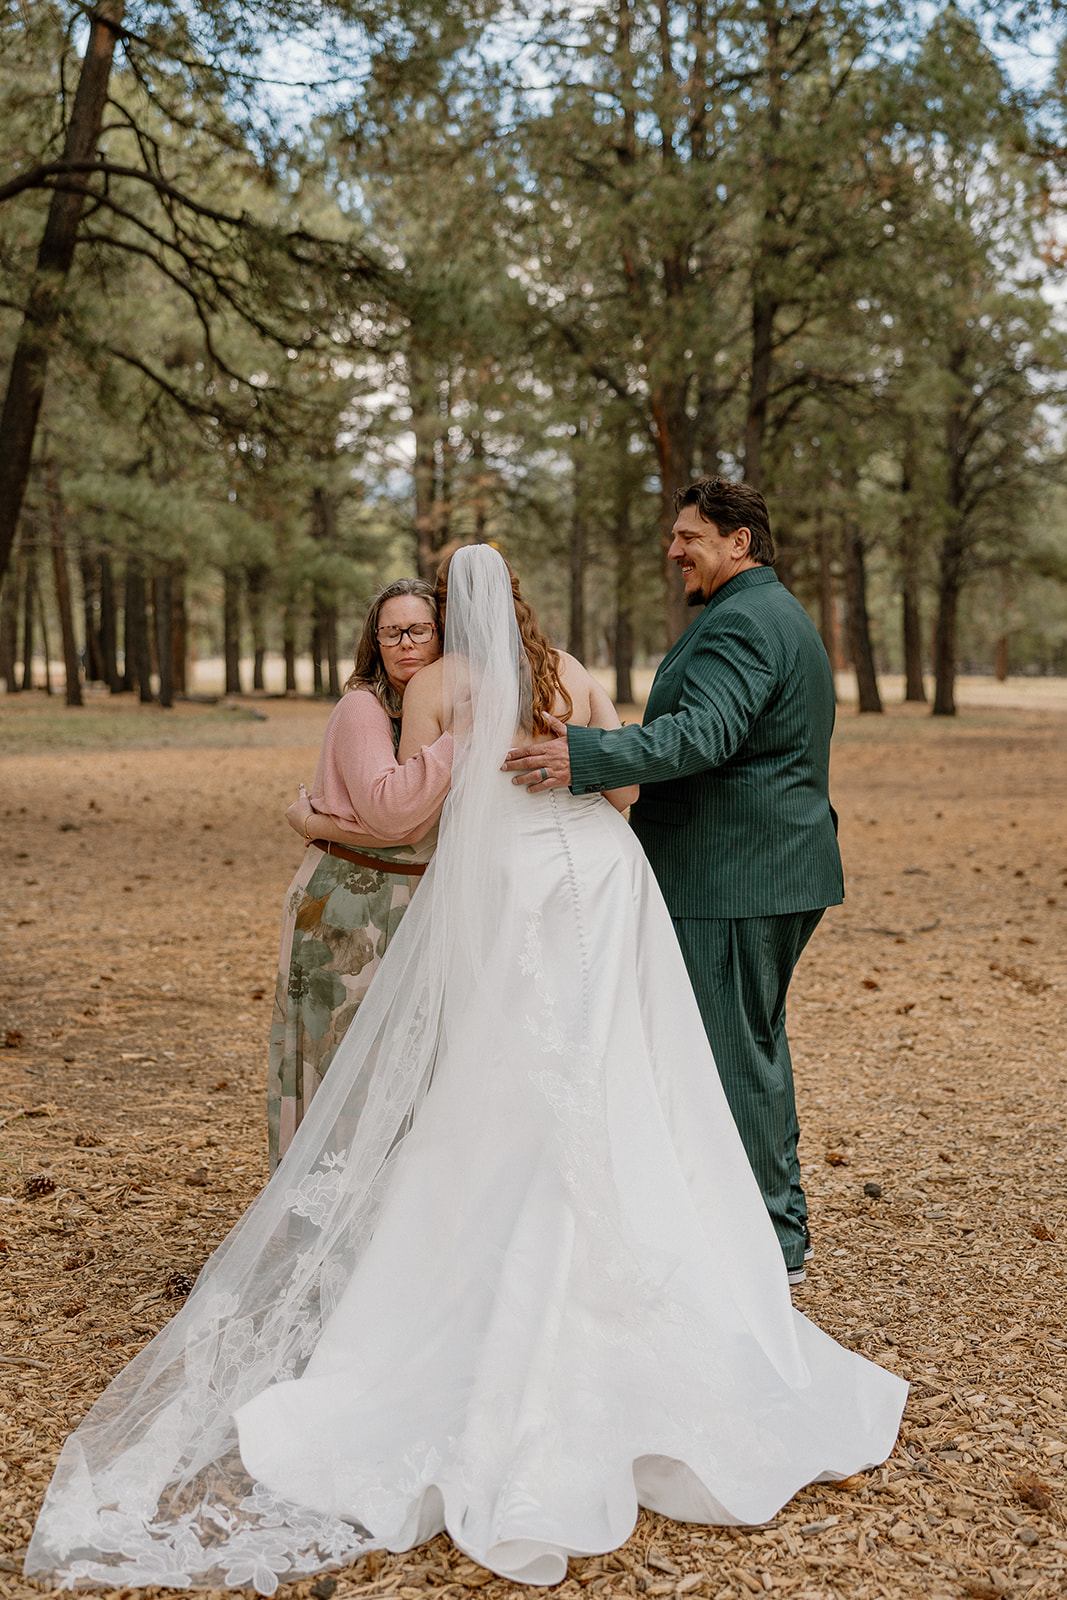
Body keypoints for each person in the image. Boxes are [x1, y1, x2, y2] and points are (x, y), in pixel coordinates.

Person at [26, 546, 903, 1595]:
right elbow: (619, 779)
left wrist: (329, 818)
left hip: (512, 878)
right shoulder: (572, 670)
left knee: (499, 1072)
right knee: (622, 1066)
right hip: (600, 871)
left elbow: (419, 810)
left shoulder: (433, 686)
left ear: (446, 612)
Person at [504, 478, 843, 1286]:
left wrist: (583, 758)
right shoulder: (760, 613)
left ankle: (769, 1243)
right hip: (756, 866)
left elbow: (705, 734)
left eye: (687, 535)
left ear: (739, 543)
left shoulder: (743, 623)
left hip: (733, 871)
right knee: (741, 1044)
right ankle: (746, 1220)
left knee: (734, 1054)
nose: (671, 549)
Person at [268, 578, 450, 1168]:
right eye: (391, 632)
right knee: (342, 1061)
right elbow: (395, 816)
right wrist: (464, 739)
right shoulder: (362, 707)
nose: (405, 643)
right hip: (346, 902)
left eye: (418, 629)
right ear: (375, 641)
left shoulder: (445, 701)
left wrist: (314, 820)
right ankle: (321, 1219)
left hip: (413, 904)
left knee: (402, 1064)